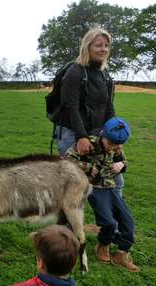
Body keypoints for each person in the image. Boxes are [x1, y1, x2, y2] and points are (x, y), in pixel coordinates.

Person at [65, 117, 139, 272]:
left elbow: (125, 161)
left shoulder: (116, 146)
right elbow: (67, 160)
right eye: (111, 144)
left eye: (118, 145)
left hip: (111, 188)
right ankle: (103, 245)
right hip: (94, 188)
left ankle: (121, 253)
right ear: (103, 134)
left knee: (128, 222)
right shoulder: (89, 143)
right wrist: (88, 167)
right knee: (109, 223)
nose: (114, 148)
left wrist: (121, 165)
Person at [56, 28, 124, 195]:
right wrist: (81, 137)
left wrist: (114, 135)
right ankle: (66, 222)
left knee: (115, 181)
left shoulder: (105, 75)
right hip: (72, 133)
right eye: (98, 45)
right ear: (87, 46)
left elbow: (108, 107)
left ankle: (111, 222)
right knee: (72, 188)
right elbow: (70, 107)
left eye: (107, 45)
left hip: (98, 135)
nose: (104, 49)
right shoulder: (75, 72)